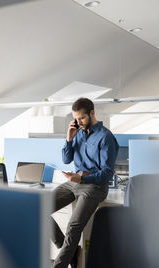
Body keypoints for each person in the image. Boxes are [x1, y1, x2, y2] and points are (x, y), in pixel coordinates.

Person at [51, 97, 119, 268]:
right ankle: (71, 252)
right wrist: (68, 138)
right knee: (39, 207)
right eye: (76, 118)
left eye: (82, 118)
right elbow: (66, 159)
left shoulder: (106, 137)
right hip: (74, 182)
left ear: (92, 113)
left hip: (94, 186)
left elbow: (107, 174)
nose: (79, 122)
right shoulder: (78, 133)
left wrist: (82, 178)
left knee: (73, 227)